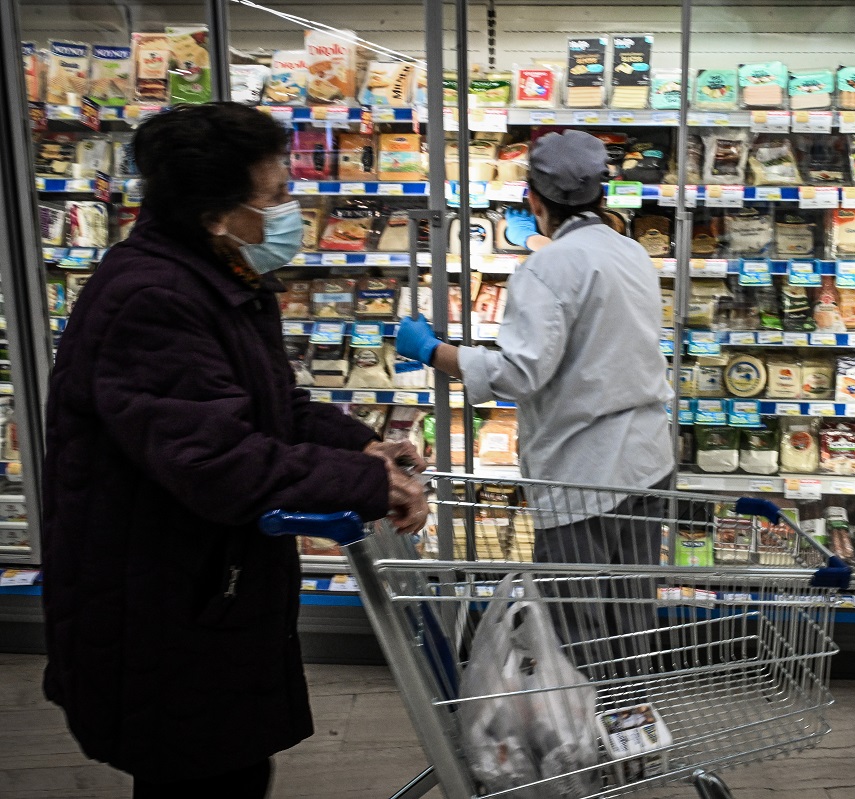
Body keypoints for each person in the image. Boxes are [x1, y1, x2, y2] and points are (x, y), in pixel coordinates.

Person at [40, 102, 428, 799]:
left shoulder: (219, 281)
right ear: (216, 213)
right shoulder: (151, 301)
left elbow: (272, 408)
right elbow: (218, 459)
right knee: (204, 775)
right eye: (276, 196)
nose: (292, 211)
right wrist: (369, 485)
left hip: (202, 592)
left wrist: (366, 443)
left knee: (224, 767)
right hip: (162, 604)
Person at [394, 128, 673, 567]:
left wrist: (430, 350)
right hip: (648, 462)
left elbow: (516, 374)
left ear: (533, 200)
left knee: (571, 624)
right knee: (630, 614)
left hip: (585, 475)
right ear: (601, 195)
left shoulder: (545, 267)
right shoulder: (633, 252)